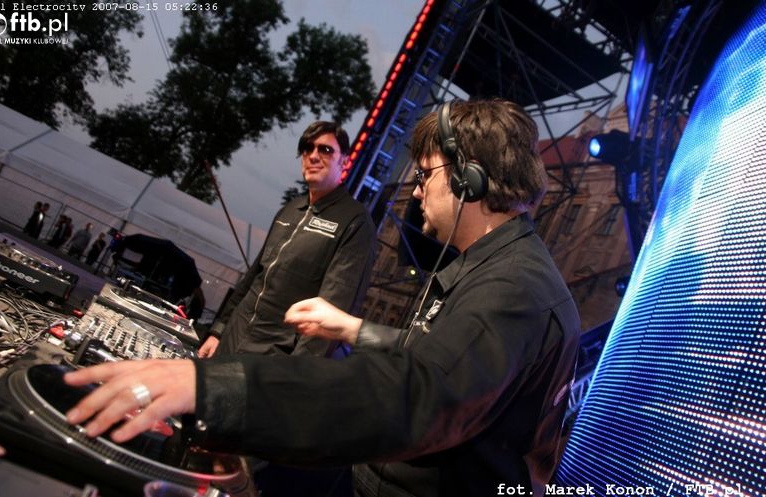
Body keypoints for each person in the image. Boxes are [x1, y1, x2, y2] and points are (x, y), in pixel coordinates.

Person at [64, 99, 581, 497]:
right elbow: (436, 356)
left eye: (426, 175)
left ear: (470, 180)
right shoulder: (492, 267)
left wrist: (220, 390)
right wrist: (353, 328)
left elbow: (420, 395)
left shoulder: (516, 289)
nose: (417, 191)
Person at [198, 120, 376, 358]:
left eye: (325, 149)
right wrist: (218, 332)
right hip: (231, 340)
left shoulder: (355, 222)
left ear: (344, 160)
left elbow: (332, 314)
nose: (313, 156)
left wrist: (292, 372)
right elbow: (253, 278)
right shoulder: (290, 209)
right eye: (307, 148)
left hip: (271, 360)